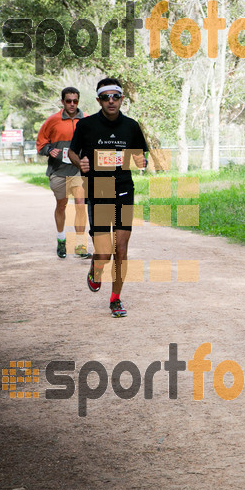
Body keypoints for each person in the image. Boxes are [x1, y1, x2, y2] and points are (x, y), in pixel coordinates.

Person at [68, 78, 147, 318]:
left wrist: (141, 160)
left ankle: (116, 299)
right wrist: (78, 162)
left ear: (122, 99)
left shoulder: (132, 126)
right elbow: (72, 151)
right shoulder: (86, 125)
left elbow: (140, 155)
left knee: (120, 249)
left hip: (123, 189)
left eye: (115, 96)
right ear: (99, 100)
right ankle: (96, 266)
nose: (111, 101)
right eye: (106, 97)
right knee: (104, 252)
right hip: (99, 189)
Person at [36, 86, 90, 259]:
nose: (72, 104)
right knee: (62, 205)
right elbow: (41, 143)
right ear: (62, 102)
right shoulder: (52, 121)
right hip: (58, 170)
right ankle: (61, 239)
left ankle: (81, 245)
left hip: (79, 171)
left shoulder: (87, 120)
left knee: (81, 205)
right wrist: (49, 150)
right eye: (69, 101)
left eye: (75, 101)